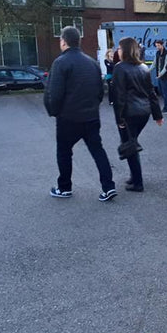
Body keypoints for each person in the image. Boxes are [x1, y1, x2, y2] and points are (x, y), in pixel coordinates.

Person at [44, 26, 117, 202]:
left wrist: (53, 112)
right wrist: (93, 107)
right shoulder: (91, 62)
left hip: (68, 118)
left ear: (63, 41)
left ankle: (64, 187)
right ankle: (108, 187)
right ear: (79, 41)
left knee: (64, 151)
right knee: (97, 150)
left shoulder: (60, 63)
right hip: (91, 117)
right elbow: (100, 90)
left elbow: (54, 93)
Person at [112, 37, 163, 192]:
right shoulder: (143, 67)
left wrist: (119, 118)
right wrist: (157, 115)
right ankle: (134, 177)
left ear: (125, 50)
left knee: (130, 145)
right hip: (144, 112)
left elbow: (118, 96)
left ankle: (138, 182)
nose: (117, 51)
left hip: (129, 113)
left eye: (119, 48)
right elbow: (151, 93)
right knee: (131, 143)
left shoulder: (120, 68)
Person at [150, 40, 167, 112]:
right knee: (160, 91)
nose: (157, 47)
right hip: (159, 75)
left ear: (162, 45)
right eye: (156, 46)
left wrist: (161, 74)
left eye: (158, 45)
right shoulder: (157, 53)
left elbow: (166, 66)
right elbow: (154, 63)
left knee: (165, 92)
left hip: (164, 76)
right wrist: (148, 70)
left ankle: (166, 108)